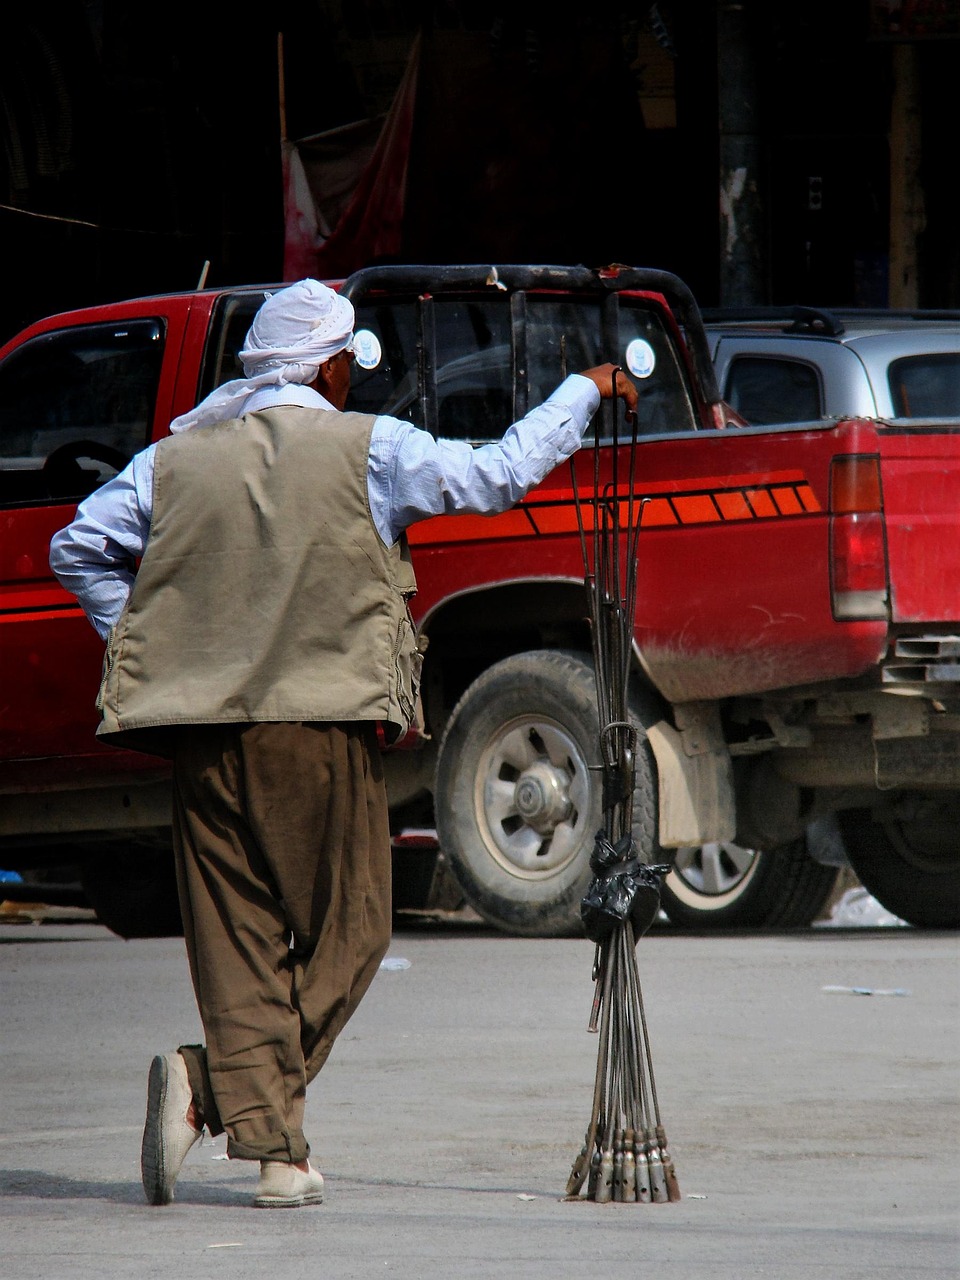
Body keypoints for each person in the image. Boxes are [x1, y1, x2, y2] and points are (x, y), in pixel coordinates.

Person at [49, 278, 637, 1210]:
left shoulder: (174, 460)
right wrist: (587, 394)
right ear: (329, 366)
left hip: (200, 736)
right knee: (353, 930)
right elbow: (495, 476)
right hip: (315, 726)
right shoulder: (372, 449)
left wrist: (156, 645)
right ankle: (209, 1089)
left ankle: (278, 1156)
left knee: (235, 937)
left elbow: (76, 547)